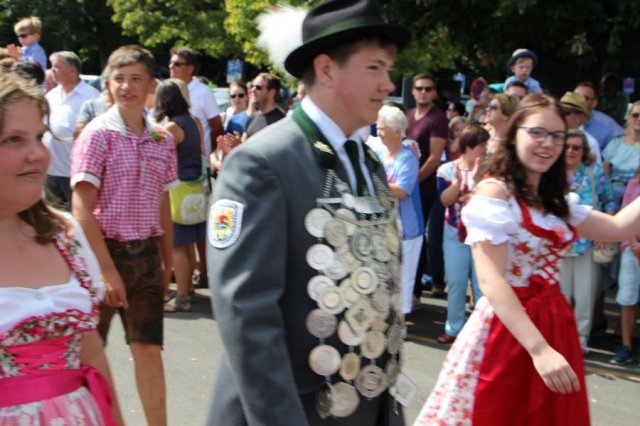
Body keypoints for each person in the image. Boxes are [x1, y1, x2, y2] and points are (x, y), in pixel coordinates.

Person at [206, 0, 412, 424]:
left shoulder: (366, 161)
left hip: (363, 403)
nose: (388, 83)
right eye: (374, 68)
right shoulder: (262, 163)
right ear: (327, 69)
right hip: (293, 408)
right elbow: (246, 313)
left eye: (388, 69)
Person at [415, 93, 640, 425]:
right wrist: (540, 349)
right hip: (507, 328)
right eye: (537, 132)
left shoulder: (552, 200)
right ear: (514, 134)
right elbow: (492, 281)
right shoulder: (496, 193)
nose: (547, 143)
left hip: (554, 324)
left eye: (556, 135)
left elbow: (619, 227)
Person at [0, 72, 121, 425]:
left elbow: (92, 353)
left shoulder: (65, 234)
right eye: (13, 139)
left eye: (39, 137)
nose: (37, 153)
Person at [71, 45, 177, 426]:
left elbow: (163, 203)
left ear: (151, 85)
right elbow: (81, 207)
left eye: (136, 79)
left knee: (148, 349)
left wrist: (167, 261)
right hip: (101, 255)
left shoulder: (162, 139)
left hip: (145, 256)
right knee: (87, 353)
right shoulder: (97, 134)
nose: (127, 86)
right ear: (108, 84)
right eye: (119, 78)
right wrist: (104, 269)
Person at [560, 129, 615, 354]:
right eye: (567, 146)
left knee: (584, 295)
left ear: (584, 151)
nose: (571, 151)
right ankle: (560, 338)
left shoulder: (595, 172)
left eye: (576, 147)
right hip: (558, 243)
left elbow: (609, 202)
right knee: (560, 296)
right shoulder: (551, 172)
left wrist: (605, 232)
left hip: (588, 241)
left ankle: (580, 340)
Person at [154, 79, 206, 313]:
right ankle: (187, 290)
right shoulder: (192, 121)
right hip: (193, 192)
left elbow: (157, 157)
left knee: (176, 247)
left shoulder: (173, 127)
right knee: (187, 245)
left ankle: (182, 297)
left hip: (178, 193)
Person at [435, 125, 488, 344]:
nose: (485, 150)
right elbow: (445, 200)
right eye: (481, 146)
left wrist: (477, 179)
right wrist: (458, 183)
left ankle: (483, 333)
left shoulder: (490, 170)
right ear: (469, 147)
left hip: (482, 234)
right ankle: (454, 327)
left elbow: (489, 201)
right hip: (455, 232)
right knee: (456, 282)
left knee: (482, 285)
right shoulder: (447, 170)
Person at [374, 105, 424, 317]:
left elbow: (402, 190)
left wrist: (374, 183)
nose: (378, 133)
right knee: (384, 276)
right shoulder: (378, 154)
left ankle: (401, 323)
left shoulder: (408, 157)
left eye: (382, 128)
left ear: (396, 131)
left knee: (404, 279)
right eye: (377, 128)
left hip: (407, 230)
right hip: (383, 227)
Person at [406, 73, 449, 300]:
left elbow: (434, 159)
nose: (424, 92)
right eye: (420, 88)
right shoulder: (408, 115)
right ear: (413, 91)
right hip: (405, 185)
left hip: (425, 186)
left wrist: (412, 182)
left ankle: (415, 291)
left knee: (418, 236)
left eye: (428, 88)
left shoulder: (438, 118)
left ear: (434, 92)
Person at [43, 51, 99, 210]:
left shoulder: (91, 96)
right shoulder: (51, 95)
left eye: (57, 67)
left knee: (78, 216)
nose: (52, 70)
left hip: (75, 172)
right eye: (52, 66)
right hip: (50, 170)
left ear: (72, 71)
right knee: (53, 217)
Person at [610, 168, 640, 364]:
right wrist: (635, 244)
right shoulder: (633, 184)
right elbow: (624, 217)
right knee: (627, 297)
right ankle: (626, 345)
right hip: (632, 246)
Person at [602, 101, 640, 208]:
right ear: (628, 117)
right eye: (635, 115)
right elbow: (605, 174)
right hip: (613, 195)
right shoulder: (615, 143)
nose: (639, 119)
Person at [574, 81, 624, 151]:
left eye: (584, 97)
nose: (578, 100)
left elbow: (623, 140)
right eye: (575, 96)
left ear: (594, 103)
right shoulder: (563, 117)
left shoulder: (605, 123)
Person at [559, 91, 601, 163]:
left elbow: (594, 168)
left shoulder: (590, 143)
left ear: (580, 117)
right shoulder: (552, 135)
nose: (560, 115)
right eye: (558, 111)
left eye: (565, 112)